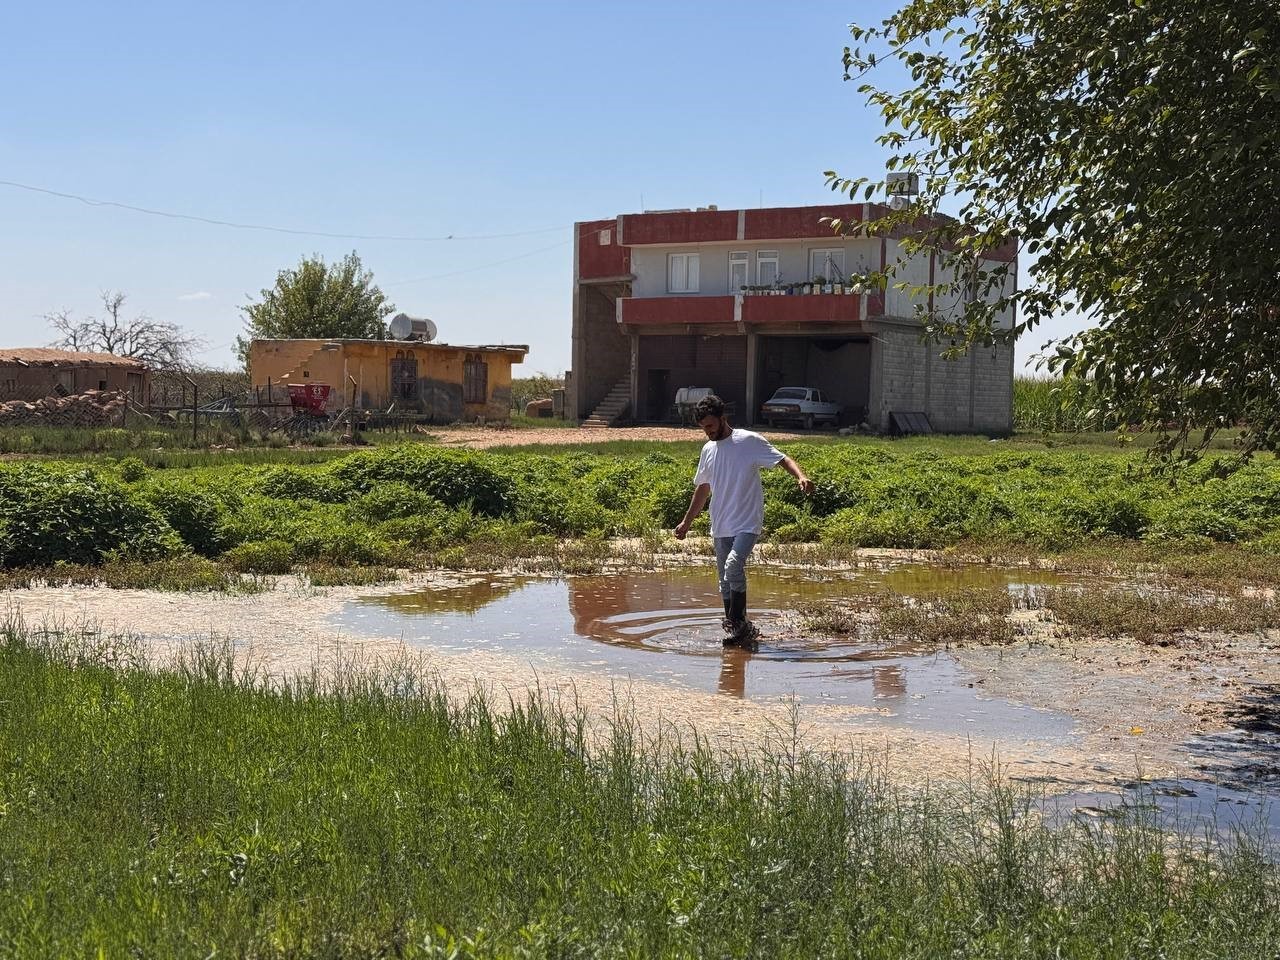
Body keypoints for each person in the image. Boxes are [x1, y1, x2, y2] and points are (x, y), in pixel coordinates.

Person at [673, 394, 814, 646]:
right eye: (703, 428)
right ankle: (737, 629)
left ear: (722, 418)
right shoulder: (708, 449)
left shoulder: (748, 440)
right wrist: (687, 522)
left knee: (733, 566)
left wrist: (800, 477)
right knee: (724, 581)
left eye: (710, 426)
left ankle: (738, 624)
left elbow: (782, 459)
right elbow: (702, 489)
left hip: (747, 522)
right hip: (721, 523)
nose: (707, 432)